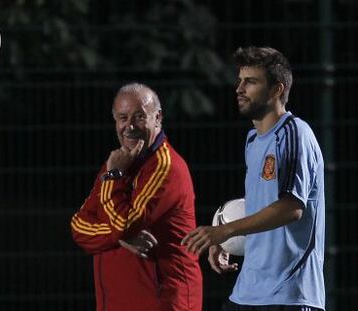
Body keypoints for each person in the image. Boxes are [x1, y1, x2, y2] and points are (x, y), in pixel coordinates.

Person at [182, 46, 325, 311]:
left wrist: (226, 230)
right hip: (247, 293)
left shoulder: (295, 134)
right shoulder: (253, 140)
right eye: (240, 80)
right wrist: (225, 241)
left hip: (288, 295)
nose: (239, 88)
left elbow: (291, 208)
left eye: (250, 82)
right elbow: (262, 204)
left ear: (276, 90)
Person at [71, 82, 202, 311]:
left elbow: (125, 224)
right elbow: (79, 226)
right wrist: (119, 237)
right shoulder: (118, 163)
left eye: (140, 116)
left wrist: (114, 178)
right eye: (123, 117)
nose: (129, 126)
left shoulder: (165, 167)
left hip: (162, 303)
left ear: (158, 118)